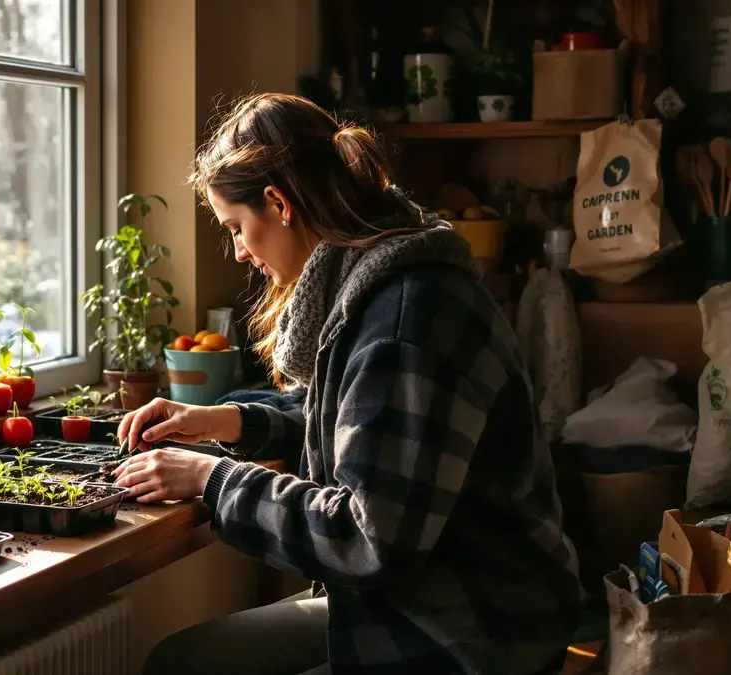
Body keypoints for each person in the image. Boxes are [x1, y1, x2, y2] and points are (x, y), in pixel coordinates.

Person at [112, 93, 581, 675]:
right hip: (419, 606)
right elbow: (367, 423)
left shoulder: (406, 318)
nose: (238, 252)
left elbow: (368, 540)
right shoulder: (379, 280)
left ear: (278, 203)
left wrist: (213, 478)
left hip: (472, 634)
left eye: (236, 228)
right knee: (183, 662)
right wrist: (230, 421)